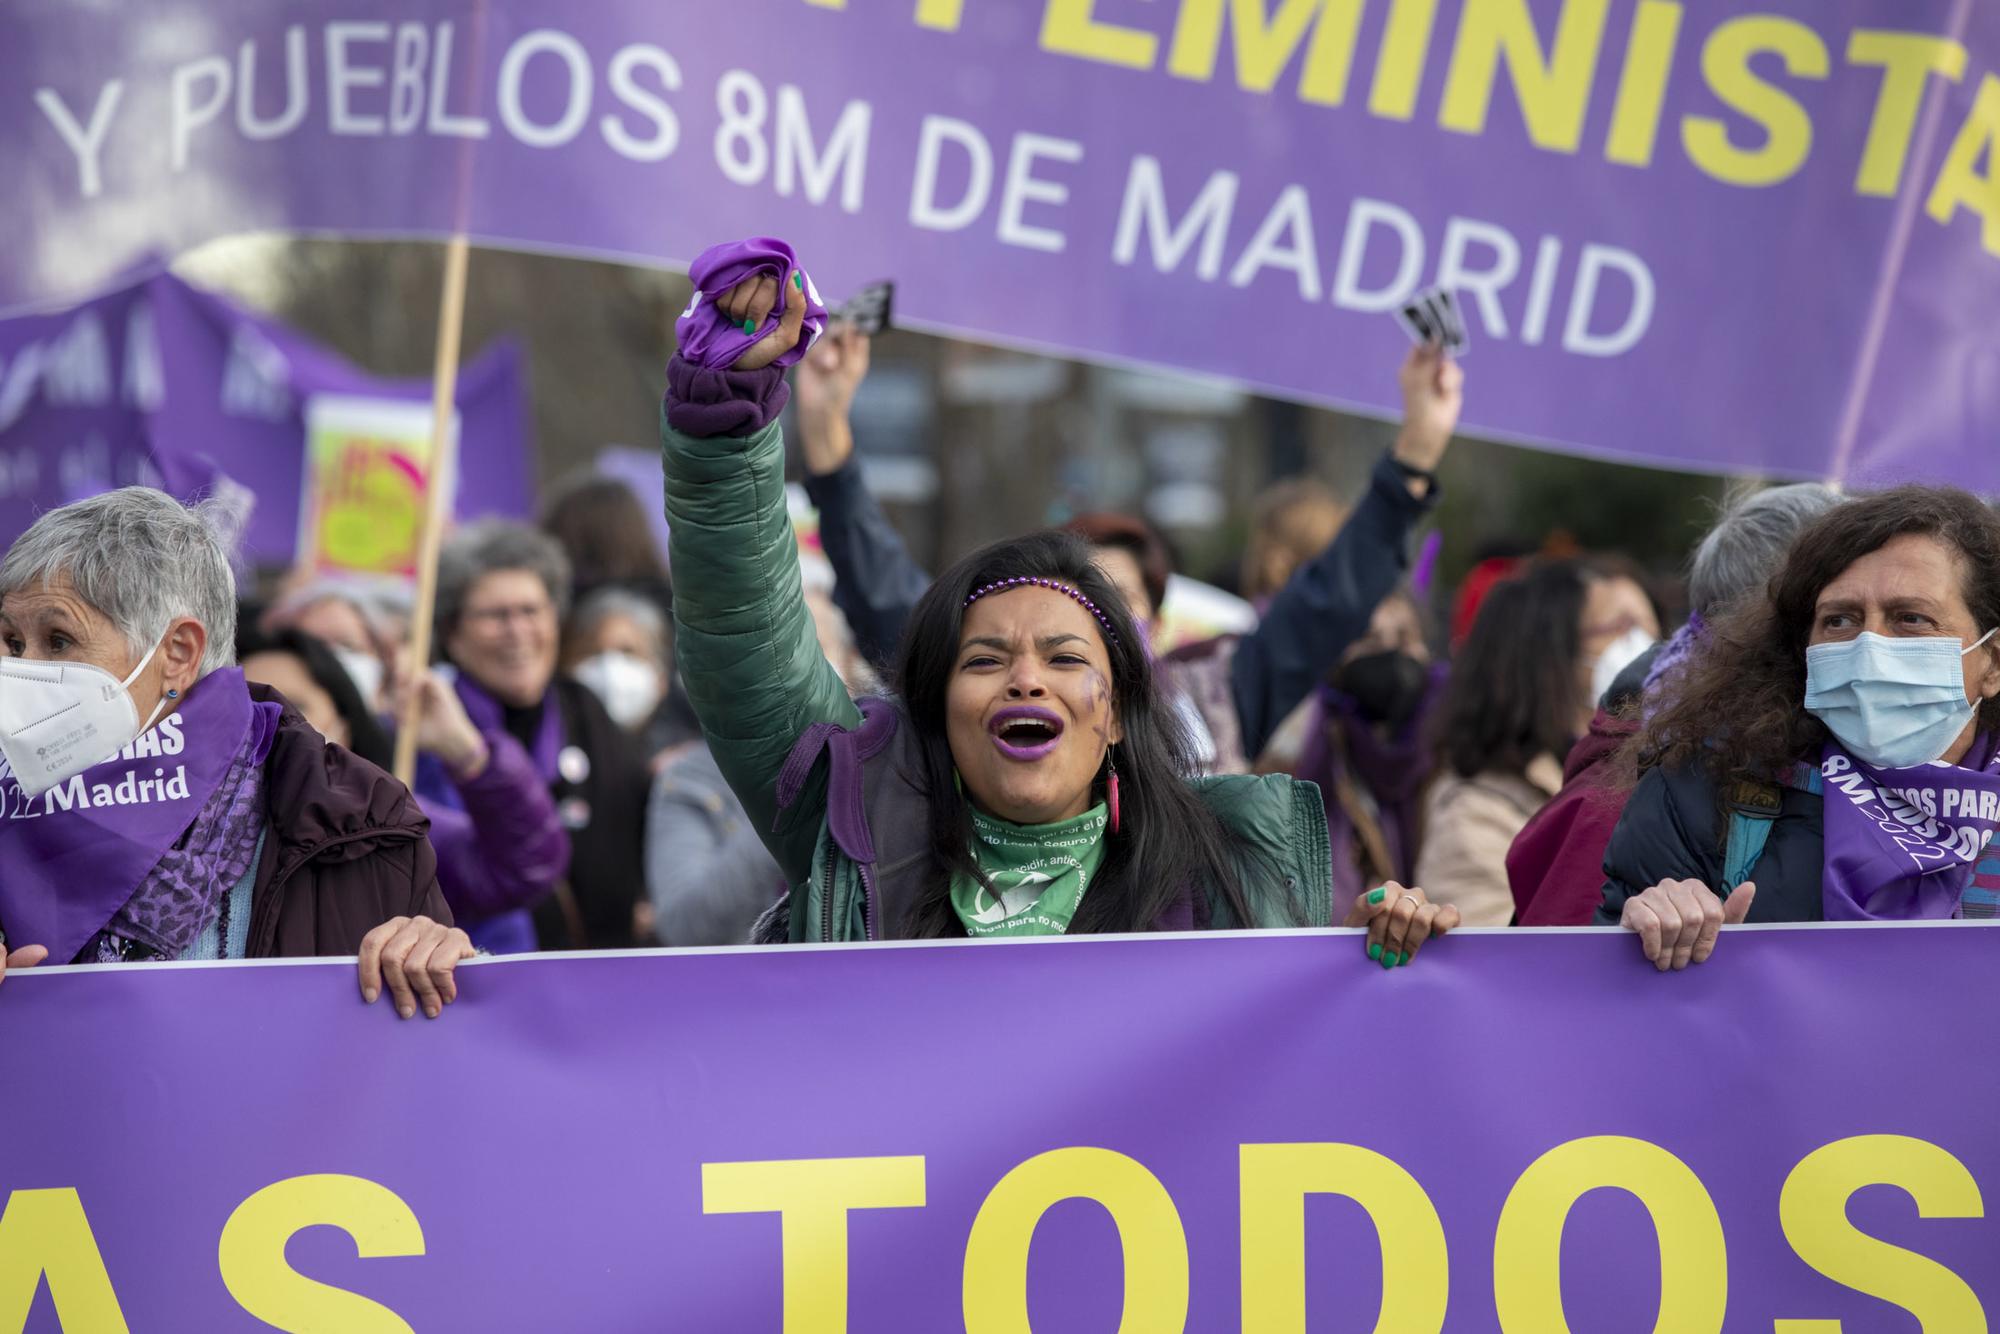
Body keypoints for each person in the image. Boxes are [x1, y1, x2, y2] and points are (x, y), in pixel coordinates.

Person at [659, 242, 1458, 963]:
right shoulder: (857, 823)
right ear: (937, 708)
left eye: (1067, 656)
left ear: (1117, 712)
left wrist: (1378, 960)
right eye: (985, 659)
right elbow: (748, 640)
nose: (1026, 679)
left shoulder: (1228, 874)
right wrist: (726, 420)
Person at [795, 324, 1464, 777]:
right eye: (1083, 604)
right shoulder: (990, 691)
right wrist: (825, 432)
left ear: (1158, 620)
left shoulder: (1221, 696)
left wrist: (1418, 453)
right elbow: (887, 595)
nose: (1103, 621)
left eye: (1123, 602)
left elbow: (1332, 599)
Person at [0, 489, 469, 1021]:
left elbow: (428, 1056)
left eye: (58, 641)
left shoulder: (359, 824)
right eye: (13, 642)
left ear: (177, 654)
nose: (22, 668)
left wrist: (442, 959)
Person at [1599, 487, 2000, 968]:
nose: (1868, 647)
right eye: (1840, 620)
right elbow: (1617, 1019)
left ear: (1993, 662)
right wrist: (1650, 942)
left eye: (1910, 618)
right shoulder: (1703, 796)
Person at [1507, 484, 1844, 925]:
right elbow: (1565, 977)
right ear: (1772, 630)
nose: (1874, 644)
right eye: (1841, 618)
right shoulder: (1644, 794)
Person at [433, 520, 650, 950]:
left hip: (599, 974)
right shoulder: (427, 731)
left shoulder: (586, 711)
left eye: (531, 611)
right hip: (479, 977)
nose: (518, 632)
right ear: (452, 634)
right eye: (495, 616)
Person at [1415, 561, 1599, 926]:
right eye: (1611, 630)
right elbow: (1499, 968)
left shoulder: (1621, 779)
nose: (1640, 651)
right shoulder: (1470, 819)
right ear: (1545, 668)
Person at [238, 623, 394, 770]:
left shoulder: (388, 796)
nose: (269, 721)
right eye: (250, 707)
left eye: (294, 706)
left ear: (344, 730)